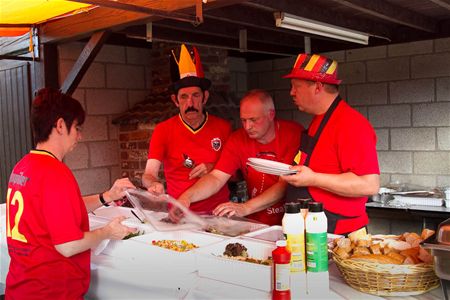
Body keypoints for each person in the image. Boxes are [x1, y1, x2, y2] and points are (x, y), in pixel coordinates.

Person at [5, 88, 137, 299]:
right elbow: (68, 246)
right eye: (77, 127)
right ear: (59, 126)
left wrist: (107, 196)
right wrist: (108, 232)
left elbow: (57, 210)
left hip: (22, 287)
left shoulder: (22, 167)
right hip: (51, 292)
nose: (80, 135)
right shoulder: (54, 172)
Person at [280, 53, 380, 235]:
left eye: (296, 87)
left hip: (341, 233)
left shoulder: (350, 124)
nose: (291, 92)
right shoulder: (319, 120)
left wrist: (313, 178)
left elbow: (369, 184)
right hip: (317, 228)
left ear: (318, 87)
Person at [174, 89, 303, 225]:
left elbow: (285, 184)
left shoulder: (294, 134)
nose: (248, 127)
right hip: (257, 220)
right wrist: (186, 197)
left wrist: (245, 207)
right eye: (243, 120)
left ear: (271, 114)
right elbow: (216, 177)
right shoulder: (237, 139)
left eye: (253, 120)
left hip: (294, 219)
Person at [142, 44, 232, 214]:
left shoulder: (224, 127)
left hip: (219, 213)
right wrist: (153, 183)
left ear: (205, 97)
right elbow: (148, 174)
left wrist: (214, 167)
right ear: (175, 100)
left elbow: (237, 175)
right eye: (184, 97)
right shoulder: (163, 130)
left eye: (195, 95)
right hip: (180, 213)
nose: (190, 103)